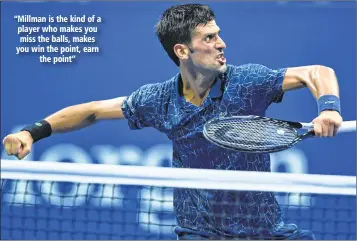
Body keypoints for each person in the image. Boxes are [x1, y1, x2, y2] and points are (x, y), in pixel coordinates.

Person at [3, 3, 342, 240]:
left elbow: (317, 72)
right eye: (208, 38)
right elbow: (92, 110)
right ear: (182, 51)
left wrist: (328, 108)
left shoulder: (248, 81)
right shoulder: (159, 100)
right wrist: (33, 132)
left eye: (218, 34)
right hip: (201, 234)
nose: (221, 44)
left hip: (265, 232)